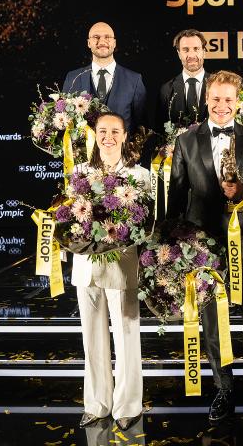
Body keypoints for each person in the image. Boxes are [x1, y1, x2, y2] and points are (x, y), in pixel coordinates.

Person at [167, 70, 243, 424]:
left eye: (229, 100)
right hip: (203, 246)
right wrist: (174, 248)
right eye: (216, 99)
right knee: (212, 321)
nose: (222, 106)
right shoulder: (185, 142)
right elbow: (176, 198)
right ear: (206, 98)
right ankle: (224, 389)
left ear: (239, 102)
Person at [71, 112, 149, 431]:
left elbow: (144, 225)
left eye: (115, 131)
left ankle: (128, 406)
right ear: (95, 134)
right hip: (87, 267)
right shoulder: (79, 172)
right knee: (91, 338)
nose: (108, 137)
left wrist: (118, 232)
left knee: (127, 336)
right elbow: (70, 219)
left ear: (125, 136)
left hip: (122, 266)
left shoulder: (140, 176)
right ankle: (96, 404)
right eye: (102, 131)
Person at [62, 22, 147, 136]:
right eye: (96, 37)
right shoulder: (72, 78)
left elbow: (142, 127)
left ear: (114, 43)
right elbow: (65, 121)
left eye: (107, 37)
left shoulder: (134, 80)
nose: (102, 42)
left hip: (122, 148)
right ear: (88, 43)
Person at [157, 29, 210, 133]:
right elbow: (159, 132)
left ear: (204, 52)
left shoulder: (218, 85)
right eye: (186, 50)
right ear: (179, 54)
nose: (191, 55)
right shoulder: (166, 90)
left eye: (196, 49)